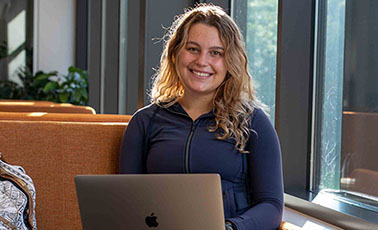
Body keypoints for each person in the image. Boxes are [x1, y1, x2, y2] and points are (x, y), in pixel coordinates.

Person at [118, 3, 283, 230]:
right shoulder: (144, 122)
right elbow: (125, 201)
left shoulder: (253, 122)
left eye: (216, 53)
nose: (202, 61)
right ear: (175, 53)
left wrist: (231, 228)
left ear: (230, 62)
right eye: (193, 49)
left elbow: (272, 206)